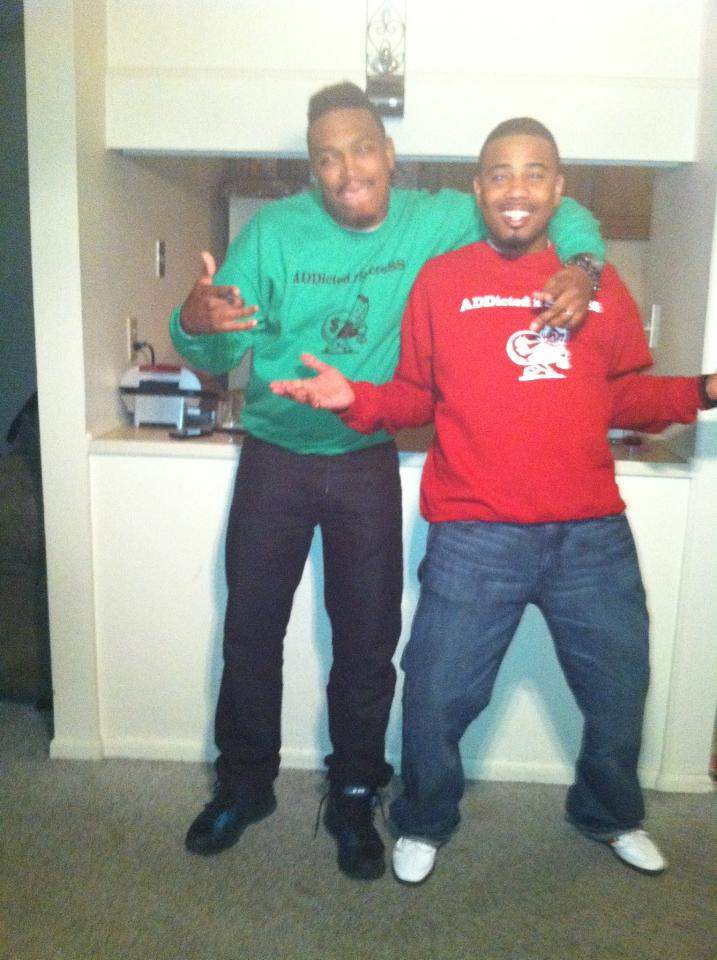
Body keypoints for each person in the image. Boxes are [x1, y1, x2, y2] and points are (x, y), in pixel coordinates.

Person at [169, 82, 606, 881]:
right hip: (273, 457)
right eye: (327, 158)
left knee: (368, 642)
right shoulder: (273, 234)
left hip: (365, 457)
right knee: (250, 632)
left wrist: (582, 269)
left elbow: (555, 207)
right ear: (313, 169)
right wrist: (191, 324)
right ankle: (244, 785)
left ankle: (354, 791)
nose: (348, 170)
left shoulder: (435, 218)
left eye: (361, 149)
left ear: (389, 154)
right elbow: (216, 345)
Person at [270, 116, 717, 885]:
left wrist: (703, 389)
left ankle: (608, 813)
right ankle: (422, 820)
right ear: (478, 189)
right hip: (474, 534)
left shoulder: (598, 287)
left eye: (534, 173)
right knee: (436, 696)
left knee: (619, 691)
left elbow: (621, 397)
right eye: (500, 174)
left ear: (557, 188)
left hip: (590, 535)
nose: (517, 189)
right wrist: (357, 398)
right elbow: (415, 395)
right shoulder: (441, 282)